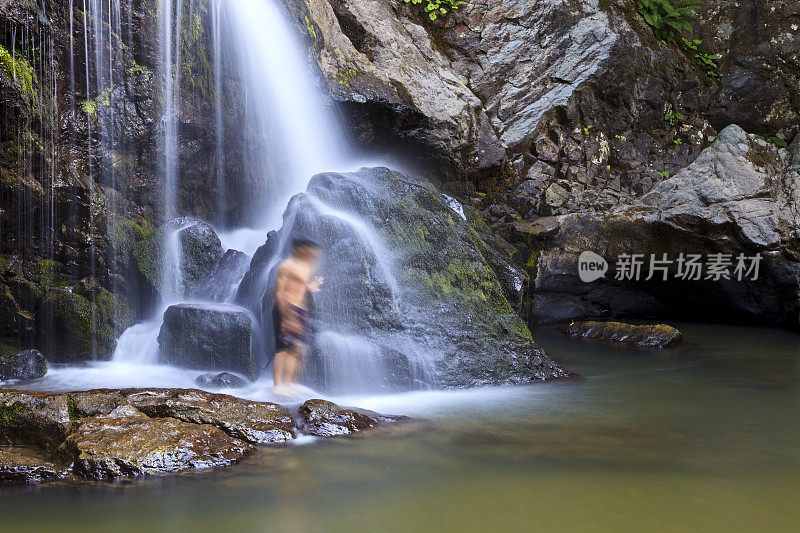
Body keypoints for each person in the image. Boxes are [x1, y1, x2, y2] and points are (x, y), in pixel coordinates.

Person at [271, 235, 323, 397]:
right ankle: (277, 385)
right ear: (297, 249)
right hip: (285, 309)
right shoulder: (287, 265)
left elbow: (299, 285)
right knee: (283, 348)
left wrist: (310, 286)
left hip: (301, 311)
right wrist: (287, 317)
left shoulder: (307, 266)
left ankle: (288, 384)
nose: (311, 253)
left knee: (296, 349)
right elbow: (279, 292)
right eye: (308, 249)